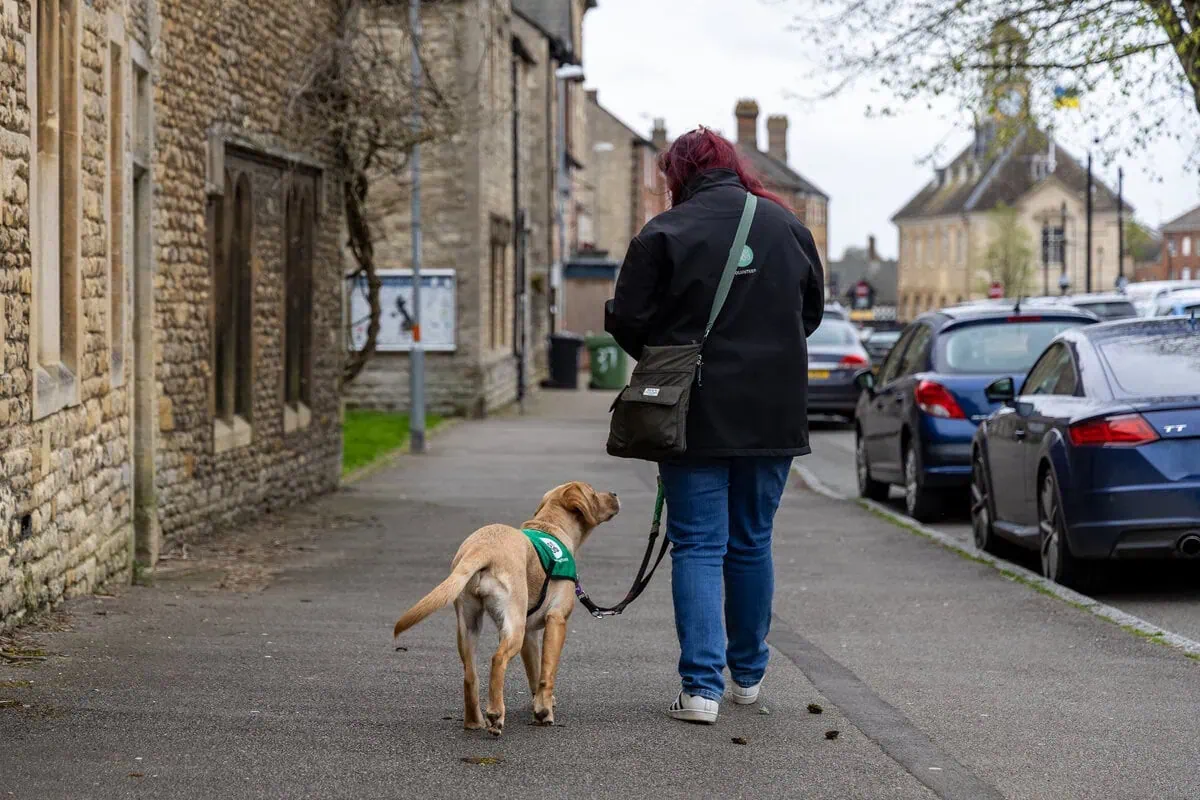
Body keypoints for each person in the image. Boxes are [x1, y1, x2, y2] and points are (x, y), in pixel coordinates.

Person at [604, 128, 825, 724]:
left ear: (677, 175)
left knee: (699, 544)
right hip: (773, 410)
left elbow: (627, 320)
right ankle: (748, 677)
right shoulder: (788, 228)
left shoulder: (664, 232)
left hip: (692, 410)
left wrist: (672, 354)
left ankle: (701, 690)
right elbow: (810, 314)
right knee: (751, 540)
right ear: (734, 166)